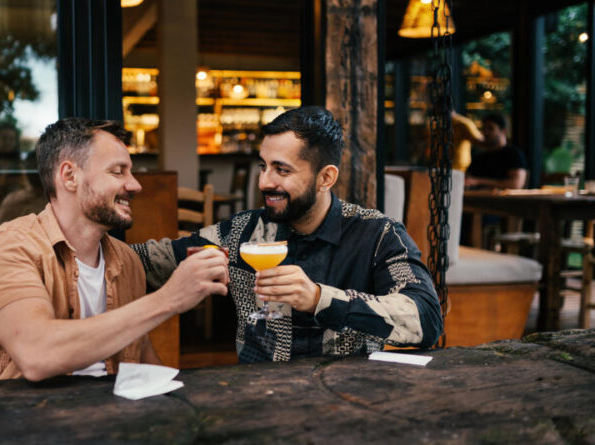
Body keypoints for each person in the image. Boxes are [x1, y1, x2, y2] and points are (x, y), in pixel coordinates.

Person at [133, 106, 442, 363]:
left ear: (325, 177)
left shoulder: (376, 234)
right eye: (263, 166)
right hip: (257, 400)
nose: (264, 182)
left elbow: (426, 318)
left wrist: (320, 298)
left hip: (346, 400)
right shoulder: (241, 232)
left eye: (281, 170)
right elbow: (148, 262)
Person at [0, 117, 229, 380]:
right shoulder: (10, 248)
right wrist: (170, 298)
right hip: (28, 416)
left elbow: (148, 369)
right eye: (118, 172)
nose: (135, 185)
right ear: (69, 176)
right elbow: (37, 354)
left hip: (108, 415)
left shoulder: (126, 261)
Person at [464, 113, 528, 189]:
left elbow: (516, 184)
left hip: (503, 200)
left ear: (503, 131)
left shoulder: (514, 154)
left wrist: (478, 181)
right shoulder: (479, 157)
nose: (486, 132)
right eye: (484, 129)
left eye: (490, 128)